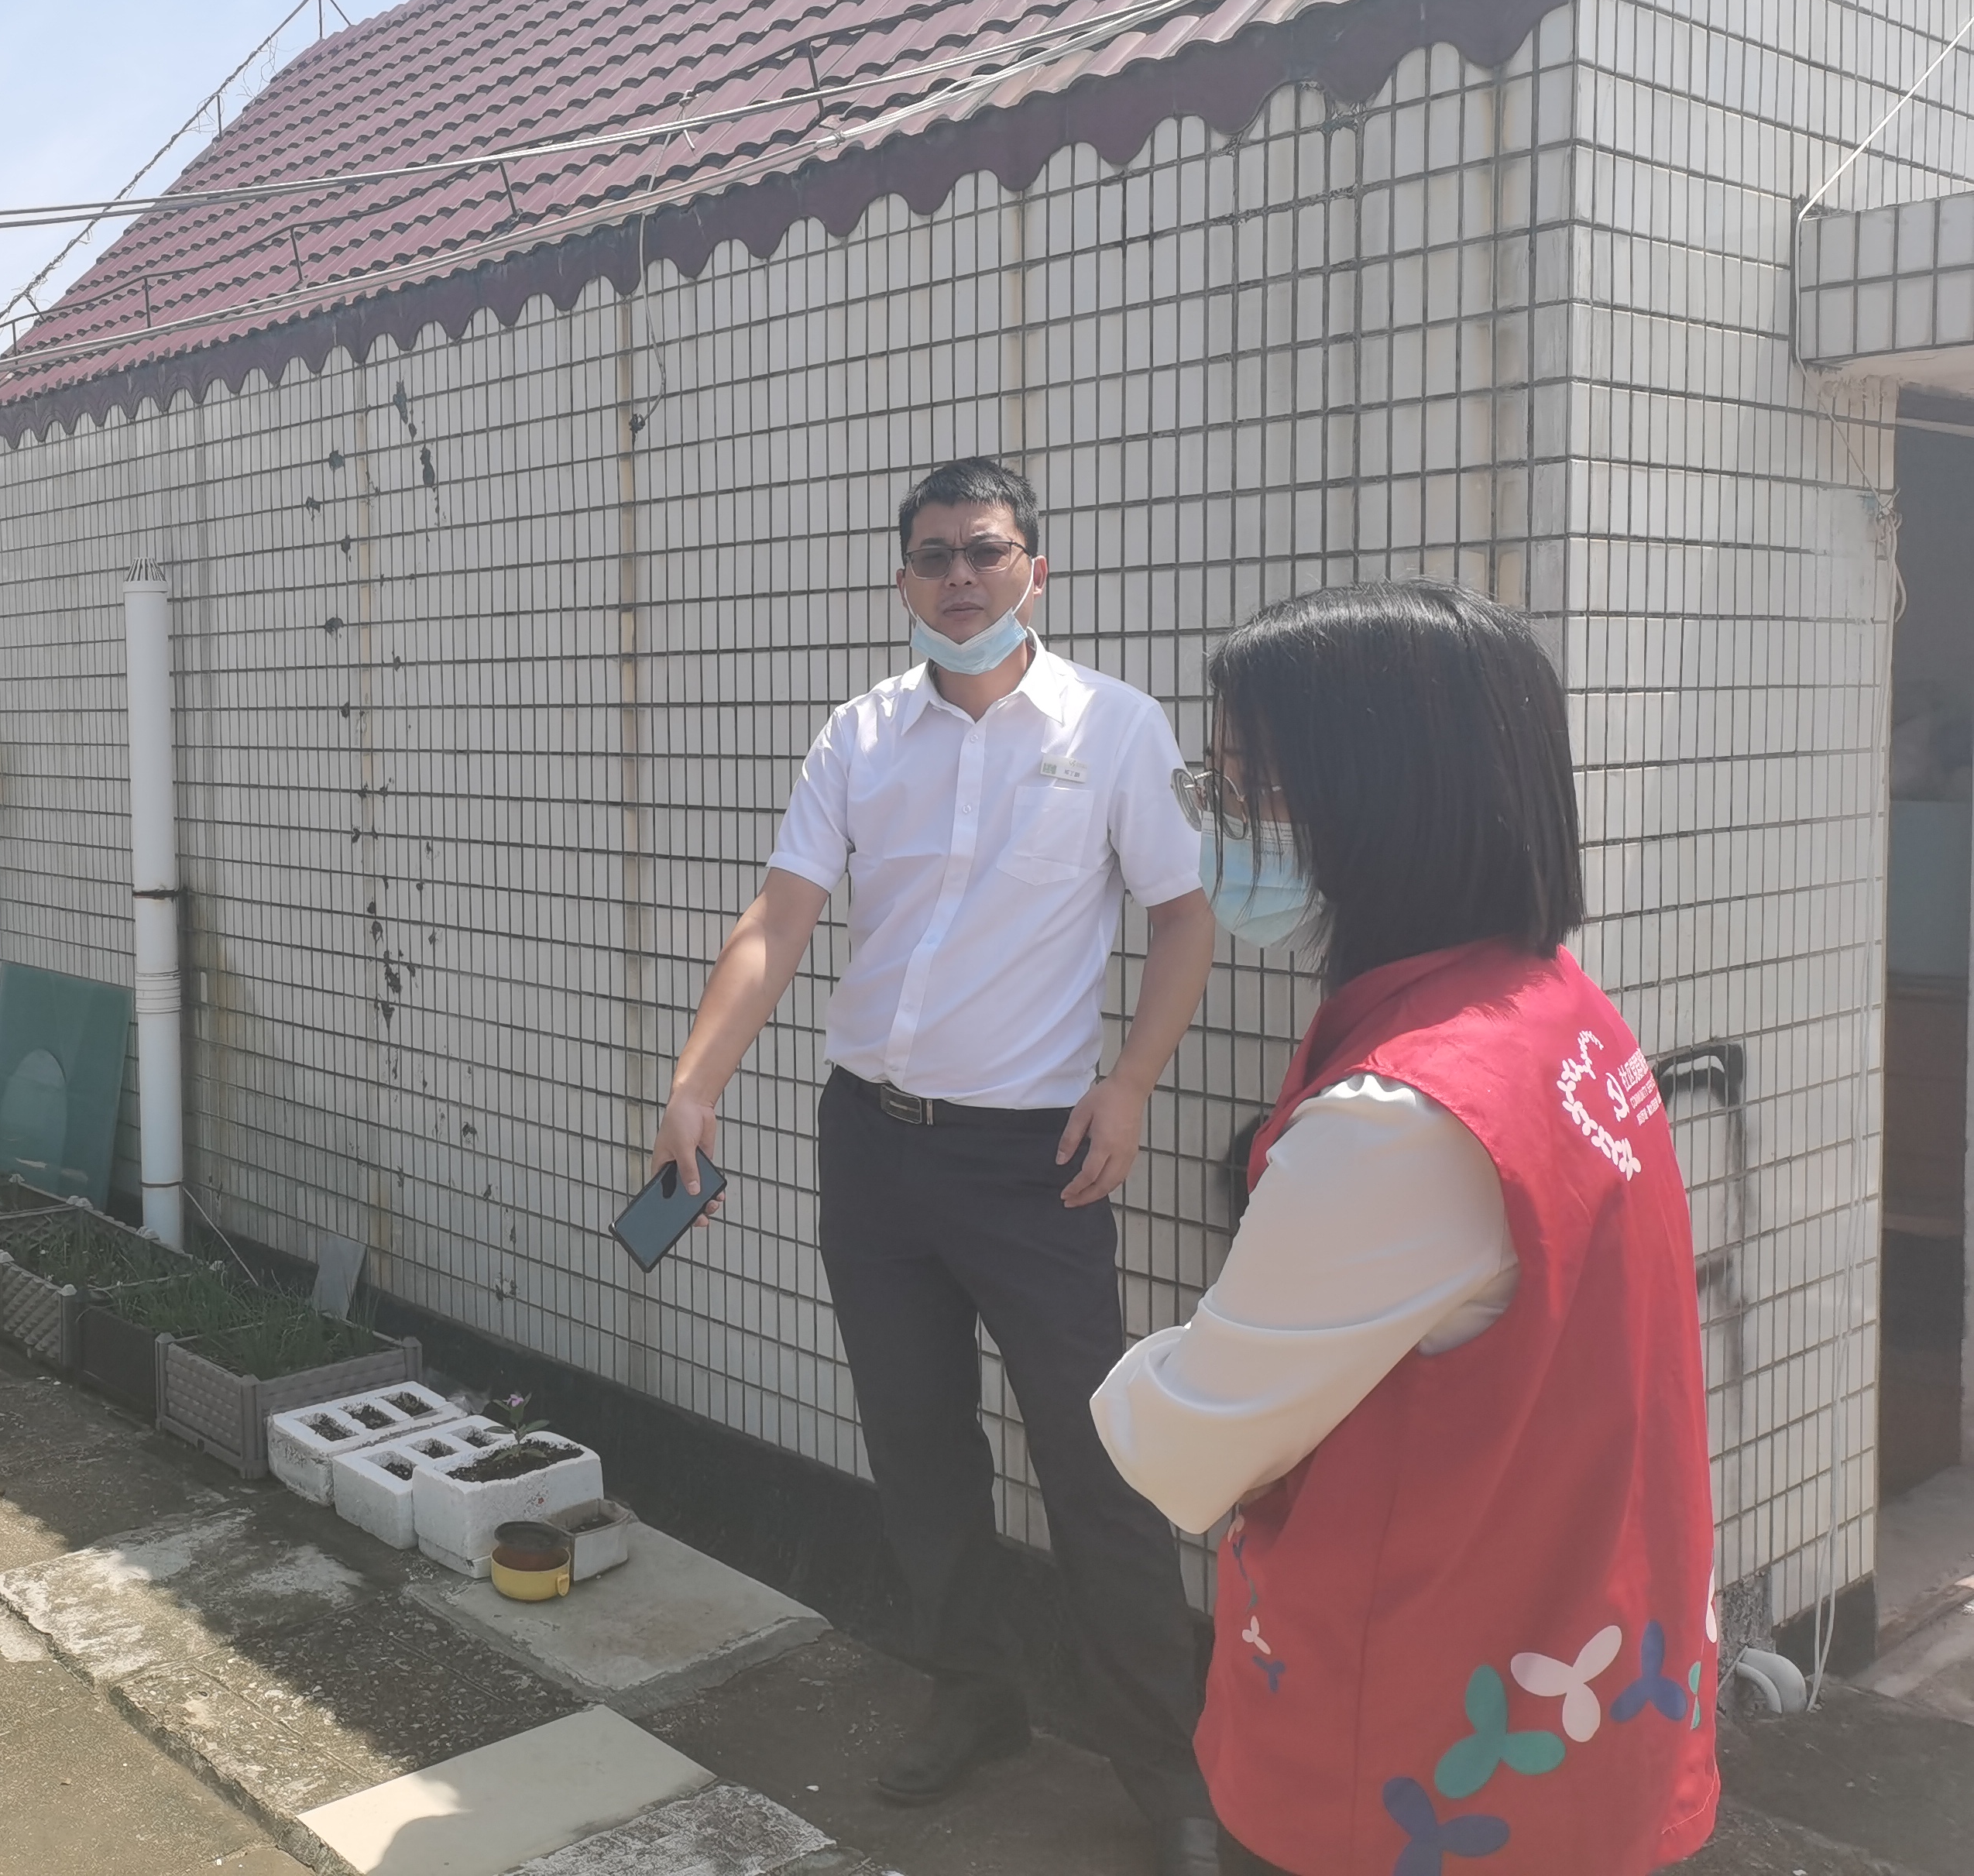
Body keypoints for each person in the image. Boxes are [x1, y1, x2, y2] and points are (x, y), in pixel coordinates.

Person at [1091, 577, 1719, 1875]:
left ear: (1384, 797)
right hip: (1573, 1689)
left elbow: (1194, 1443)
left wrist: (1131, 1378)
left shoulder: (1405, 1116)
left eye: (1251, 785)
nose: (1220, 821)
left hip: (1404, 1755)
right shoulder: (1560, 1009)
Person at [649, 459, 1223, 1876]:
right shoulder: (861, 735)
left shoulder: (1115, 728)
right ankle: (974, 1694)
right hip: (873, 1148)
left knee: (1096, 1464)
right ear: (902, 579)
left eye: (984, 550)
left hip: (1035, 1162)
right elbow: (779, 920)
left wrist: (1132, 1083)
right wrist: (695, 1083)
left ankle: (1169, 1769)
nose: (959, 576)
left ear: (1036, 568)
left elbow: (1184, 916)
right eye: (933, 556)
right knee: (916, 1445)